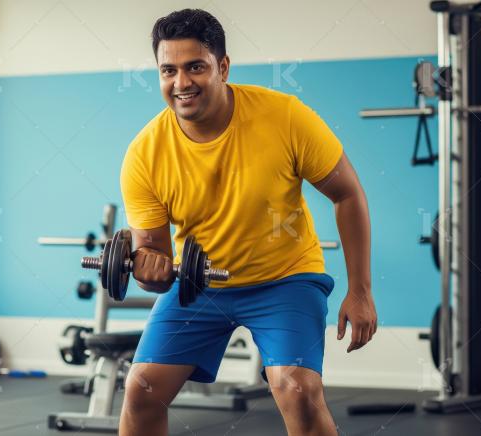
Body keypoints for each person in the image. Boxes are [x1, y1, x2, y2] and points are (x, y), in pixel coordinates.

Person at [119, 9, 377, 436]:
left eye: (195, 67)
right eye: (168, 70)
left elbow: (347, 194)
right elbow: (155, 263)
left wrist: (361, 291)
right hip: (199, 283)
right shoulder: (144, 154)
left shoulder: (286, 117)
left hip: (285, 279)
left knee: (296, 390)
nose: (181, 83)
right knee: (141, 391)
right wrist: (149, 270)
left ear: (222, 67)